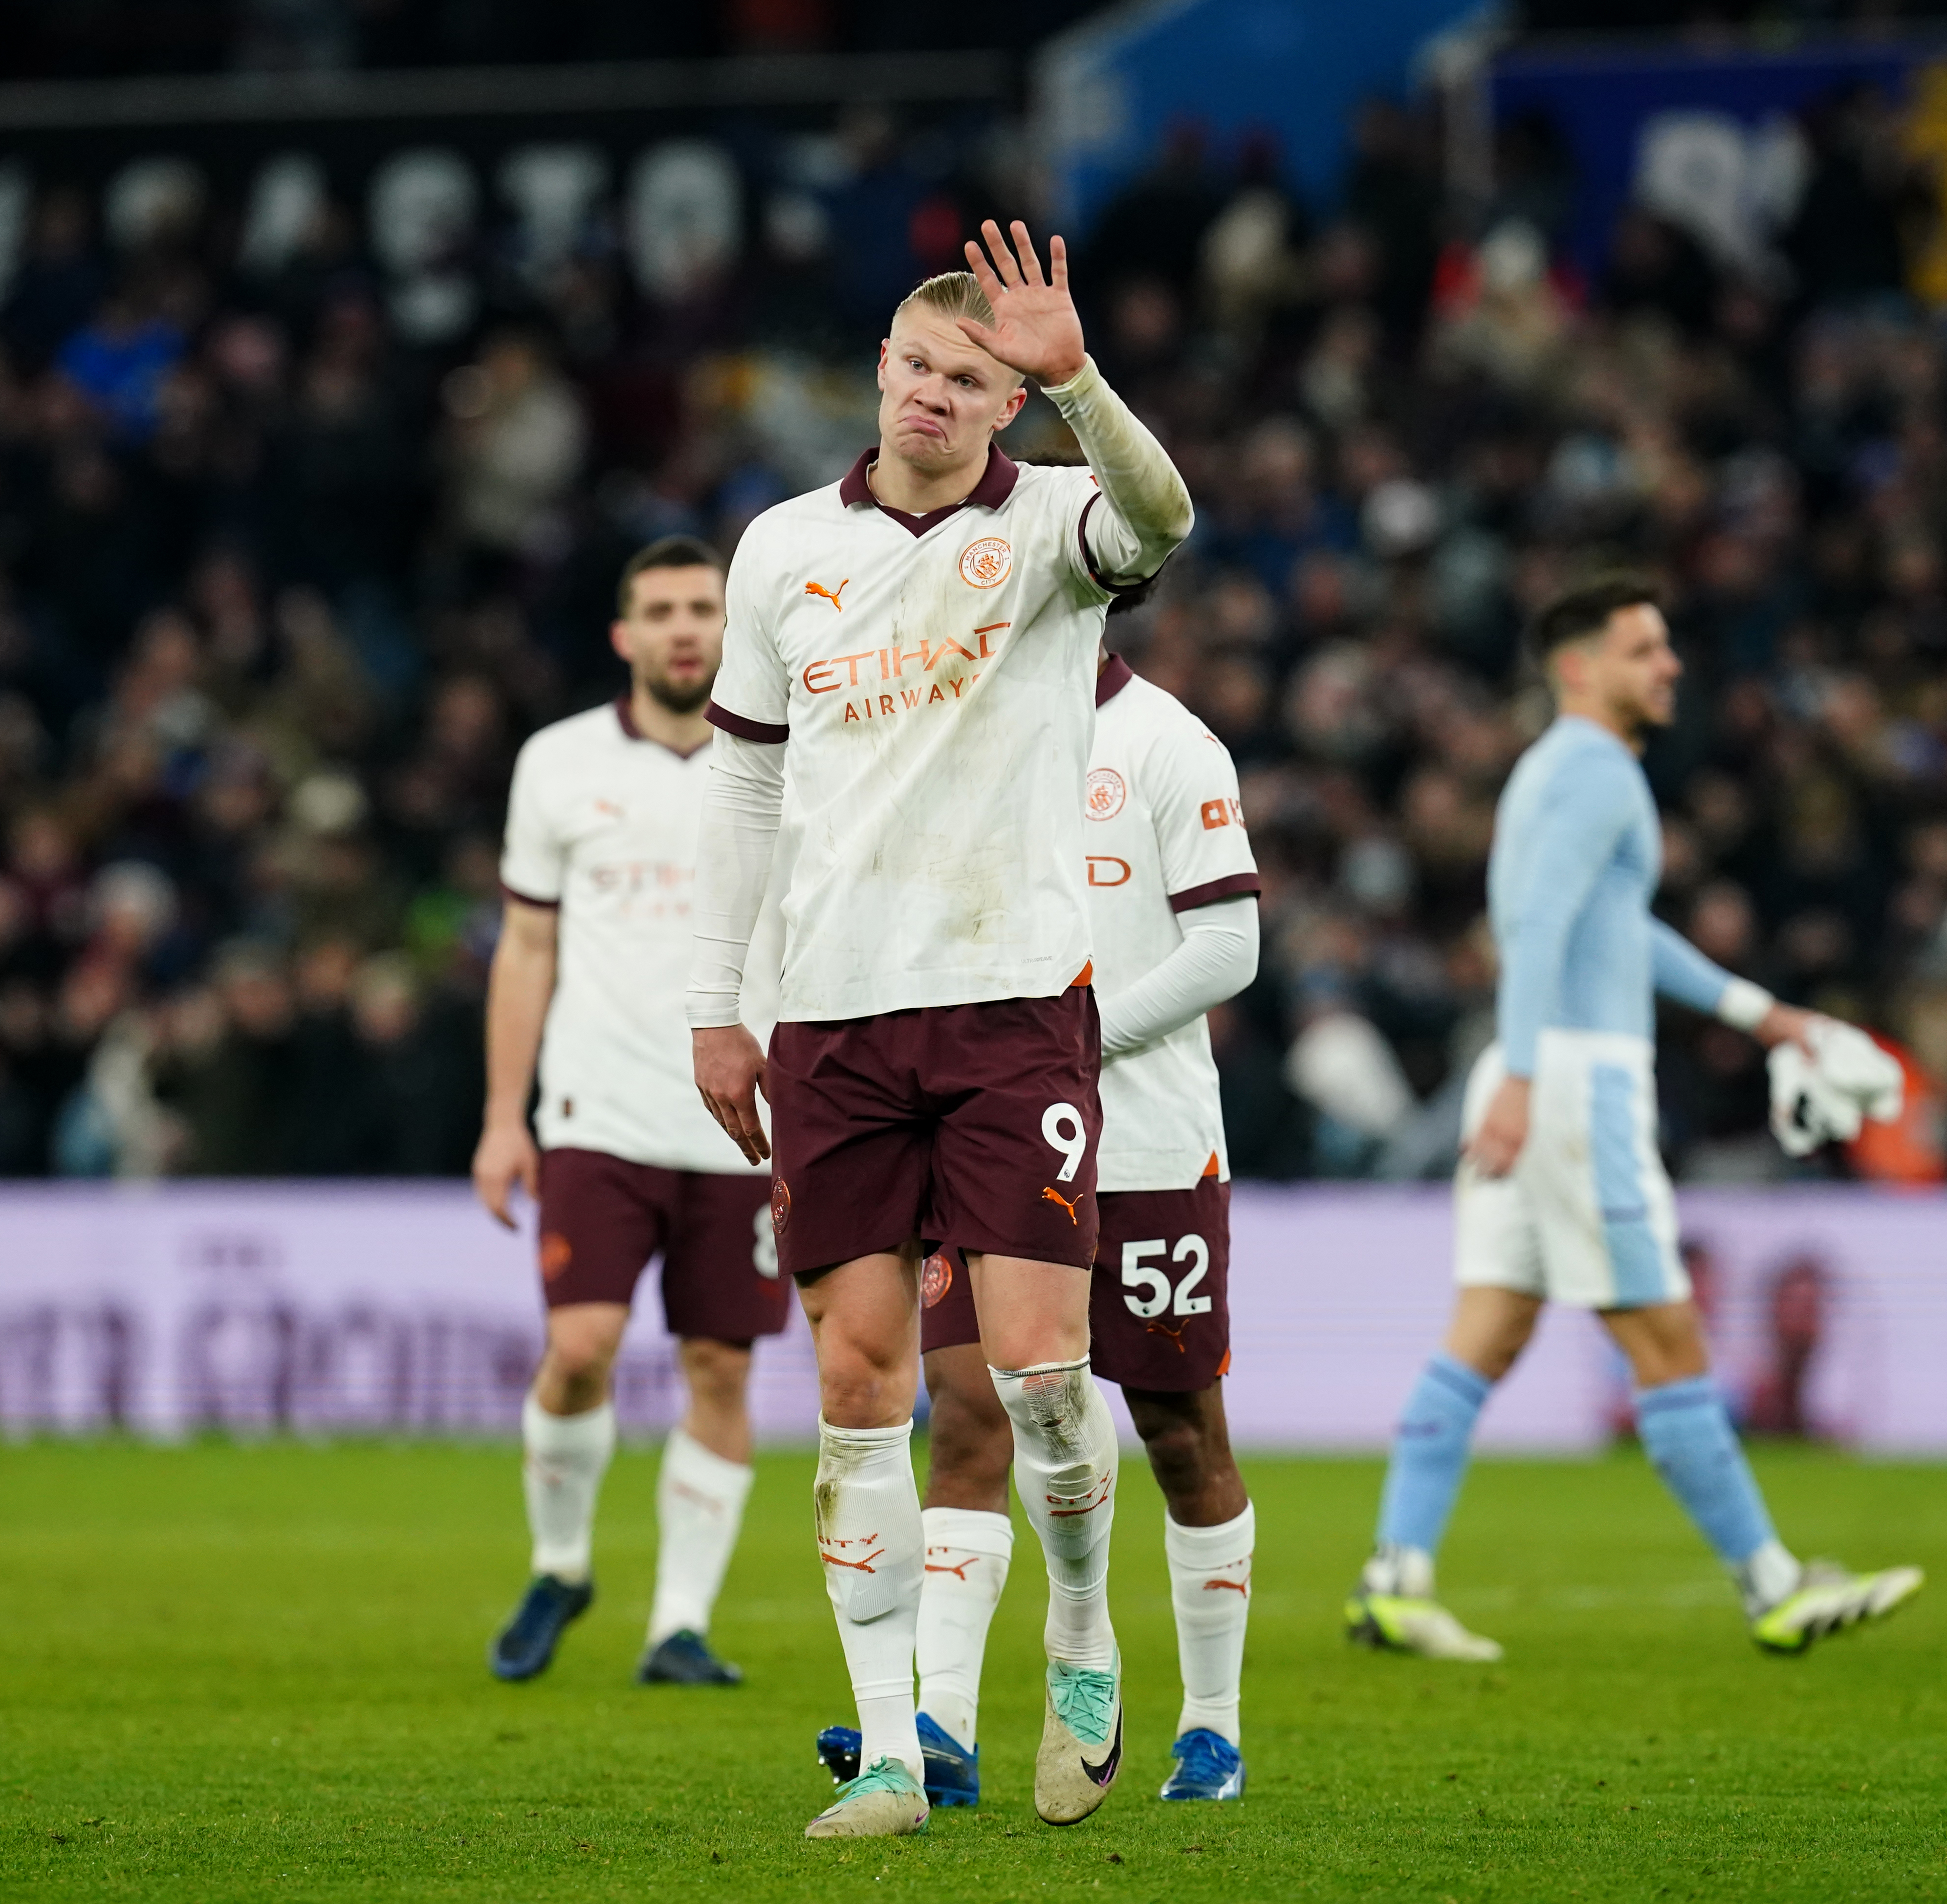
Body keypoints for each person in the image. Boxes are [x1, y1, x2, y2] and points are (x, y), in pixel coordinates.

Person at [689, 220, 1193, 1839]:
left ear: (1002, 400)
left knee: (1043, 1376)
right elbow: (747, 785)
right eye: (916, 362)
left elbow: (1168, 517)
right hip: (828, 1022)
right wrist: (720, 1008)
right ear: (882, 371)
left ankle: (1078, 1624)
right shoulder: (778, 550)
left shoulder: (1053, 522)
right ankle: (898, 1749)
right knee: (855, 1386)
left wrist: (1082, 384)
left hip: (1008, 1006)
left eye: (968, 377)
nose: (931, 391)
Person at [1348, 578, 1919, 1661]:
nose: (1669, 666)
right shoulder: (1599, 773)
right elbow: (1541, 928)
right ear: (1578, 668)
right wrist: (1524, 1077)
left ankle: (1395, 1576)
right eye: (1643, 648)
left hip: (1532, 1071)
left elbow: (1615, 928)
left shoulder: (1555, 776)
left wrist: (1762, 1013)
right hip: (1570, 1083)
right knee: (1666, 1335)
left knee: (1490, 1325)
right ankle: (1773, 1585)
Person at [813, 645, 1265, 1807]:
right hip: (981, 1140)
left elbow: (1229, 943)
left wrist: (1064, 1050)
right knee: (967, 1414)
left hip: (1149, 1143)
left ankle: (1210, 1729)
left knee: (1177, 1432)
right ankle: (943, 1723)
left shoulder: (1168, 741)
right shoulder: (947, 731)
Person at [471, 536, 790, 1689]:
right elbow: (526, 946)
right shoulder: (556, 763)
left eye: (702, 608)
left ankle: (679, 1624)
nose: (683, 629)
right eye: (658, 610)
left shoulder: (786, 760)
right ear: (624, 634)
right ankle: (561, 1564)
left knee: (719, 1365)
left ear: (731, 624)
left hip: (743, 1122)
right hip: (595, 1109)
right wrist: (505, 1117)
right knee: (579, 1347)